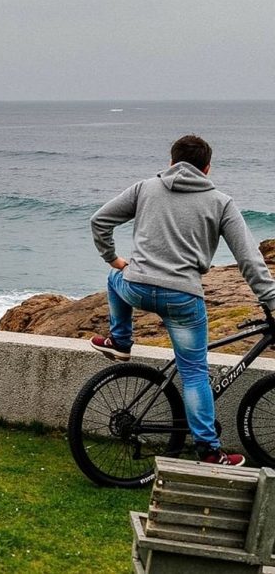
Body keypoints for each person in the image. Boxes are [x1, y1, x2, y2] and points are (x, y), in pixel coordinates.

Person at [89, 134, 275, 467]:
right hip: (183, 298)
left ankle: (120, 339)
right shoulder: (221, 202)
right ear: (207, 168)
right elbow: (249, 259)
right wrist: (271, 301)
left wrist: (114, 259)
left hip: (137, 286)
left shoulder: (145, 187)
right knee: (193, 374)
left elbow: (100, 220)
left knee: (115, 278)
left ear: (172, 162)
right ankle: (208, 449)